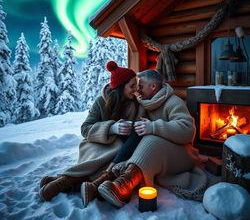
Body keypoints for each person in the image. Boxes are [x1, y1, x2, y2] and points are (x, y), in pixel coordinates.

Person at [39, 61, 144, 207]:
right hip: (96, 145)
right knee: (102, 157)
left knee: (118, 155)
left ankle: (70, 183)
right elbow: (85, 129)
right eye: (132, 86)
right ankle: (65, 181)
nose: (136, 90)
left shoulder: (135, 104)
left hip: (118, 148)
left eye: (136, 85)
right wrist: (111, 128)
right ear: (120, 87)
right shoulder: (101, 101)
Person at [98, 69, 207, 208]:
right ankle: (116, 182)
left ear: (153, 86)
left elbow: (188, 131)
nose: (138, 90)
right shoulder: (145, 103)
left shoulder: (173, 102)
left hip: (181, 154)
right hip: (159, 154)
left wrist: (154, 127)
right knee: (142, 138)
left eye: (141, 86)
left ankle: (123, 187)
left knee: (151, 140)